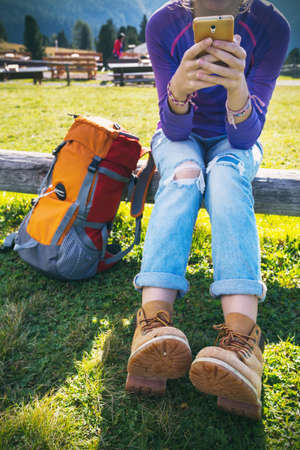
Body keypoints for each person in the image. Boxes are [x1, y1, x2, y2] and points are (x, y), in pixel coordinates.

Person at [125, 0, 290, 420]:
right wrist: (178, 87)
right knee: (183, 173)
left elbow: (245, 137)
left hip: (236, 139)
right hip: (179, 133)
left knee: (226, 176)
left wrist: (237, 88)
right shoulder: (164, 23)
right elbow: (176, 128)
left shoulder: (271, 27)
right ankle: (152, 324)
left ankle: (241, 341)